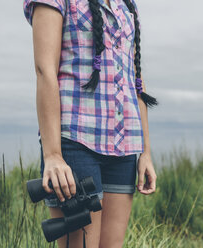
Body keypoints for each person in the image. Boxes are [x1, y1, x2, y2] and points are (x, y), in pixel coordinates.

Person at [23, 0, 158, 247]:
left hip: (124, 147)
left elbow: (136, 80)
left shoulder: (126, 4)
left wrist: (145, 152)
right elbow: (45, 70)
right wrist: (53, 154)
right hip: (75, 144)